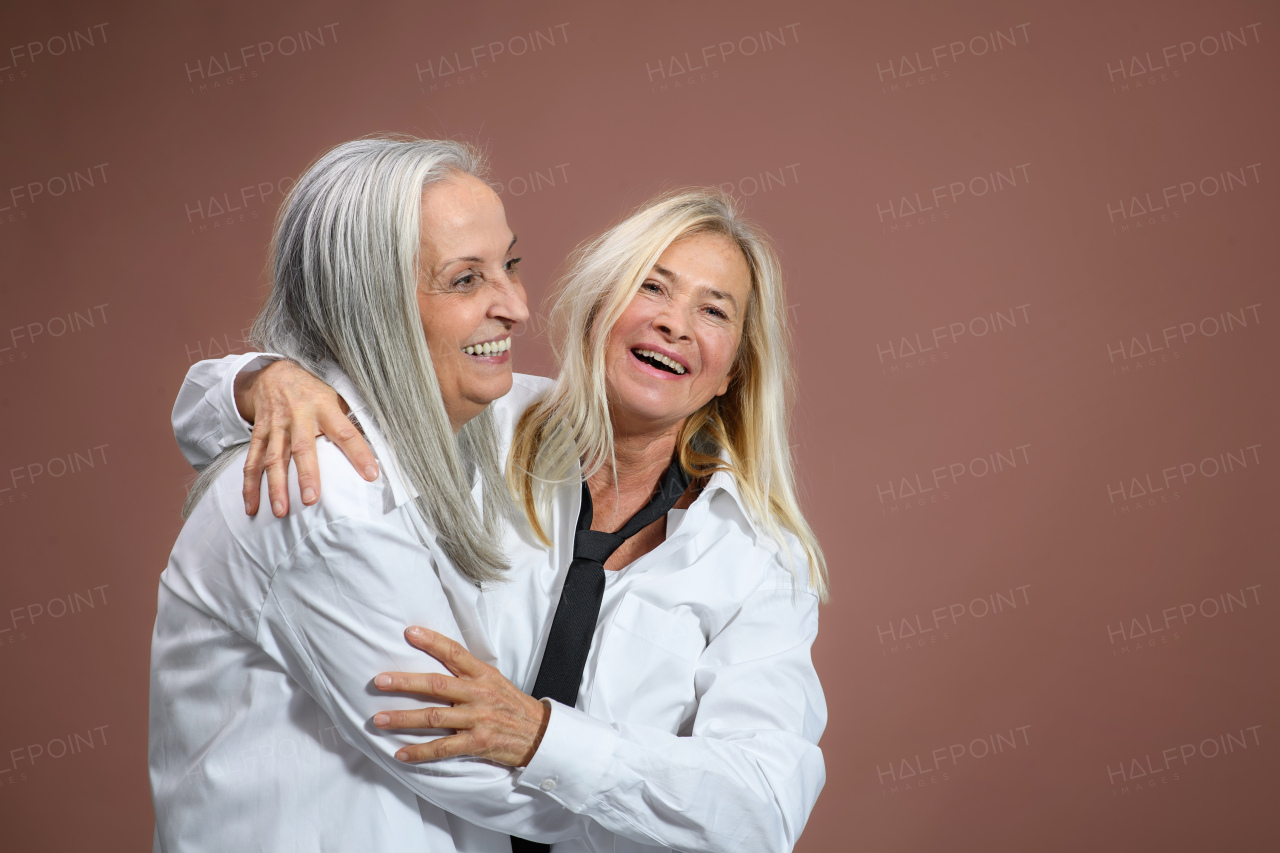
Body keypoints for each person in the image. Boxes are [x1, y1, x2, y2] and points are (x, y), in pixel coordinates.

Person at [172, 173, 829, 852]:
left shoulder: (760, 560)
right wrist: (259, 380)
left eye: (714, 311)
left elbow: (763, 805)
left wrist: (547, 740)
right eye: (652, 286)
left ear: (732, 372)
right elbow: (228, 432)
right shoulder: (479, 417)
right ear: (600, 305)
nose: (674, 323)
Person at [151, 136, 588, 852]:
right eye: (465, 280)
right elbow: (462, 757)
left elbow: (629, 411)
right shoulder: (324, 493)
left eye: (509, 265)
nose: (516, 306)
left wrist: (247, 379)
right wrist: (700, 806)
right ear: (372, 303)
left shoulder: (471, 423)